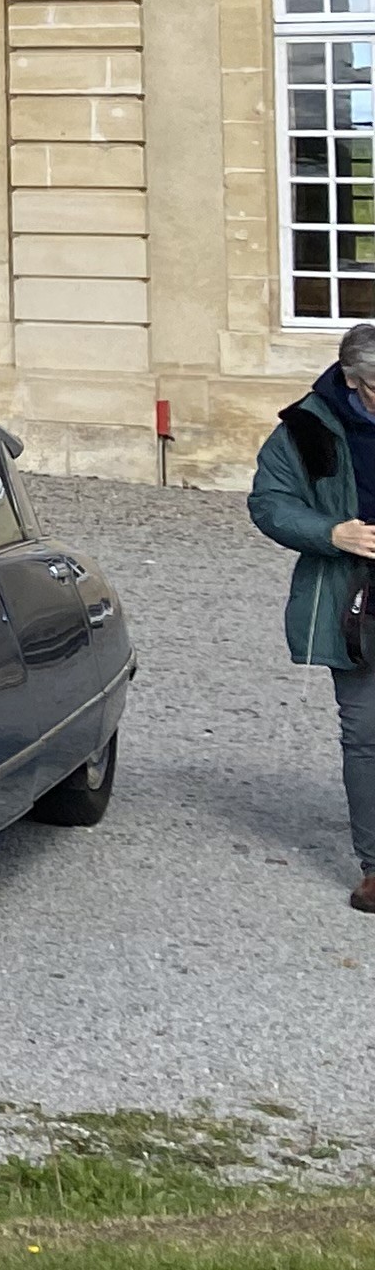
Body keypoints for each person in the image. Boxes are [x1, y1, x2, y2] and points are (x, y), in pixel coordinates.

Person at [248, 317, 375, 913]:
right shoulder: (306, 428)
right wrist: (332, 532)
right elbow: (270, 504)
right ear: (354, 383)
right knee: (366, 734)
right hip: (355, 599)